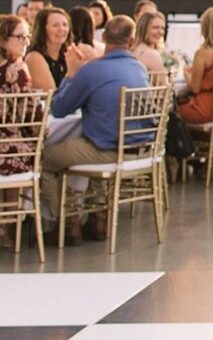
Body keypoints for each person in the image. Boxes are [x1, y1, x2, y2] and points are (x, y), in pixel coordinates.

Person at [42, 15, 148, 244]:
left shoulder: (93, 71)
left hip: (109, 151)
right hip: (139, 149)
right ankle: (98, 218)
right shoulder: (139, 68)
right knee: (94, 138)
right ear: (131, 42)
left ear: (104, 37)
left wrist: (71, 74)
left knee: (44, 159)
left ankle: (67, 222)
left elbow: (59, 109)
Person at [0, 14, 37, 247]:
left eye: (27, 36)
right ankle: (10, 226)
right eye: (20, 37)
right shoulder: (16, 68)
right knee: (34, 147)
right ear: (3, 40)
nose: (25, 41)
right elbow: (30, 114)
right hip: (9, 154)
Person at [25, 6, 75, 92]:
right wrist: (72, 72)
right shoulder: (34, 57)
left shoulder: (67, 55)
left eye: (65, 25)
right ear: (43, 29)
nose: (61, 29)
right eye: (55, 25)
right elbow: (51, 97)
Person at [131, 11, 169, 79]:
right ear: (144, 29)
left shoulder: (130, 50)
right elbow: (162, 86)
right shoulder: (152, 54)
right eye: (155, 27)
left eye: (162, 28)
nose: (160, 32)